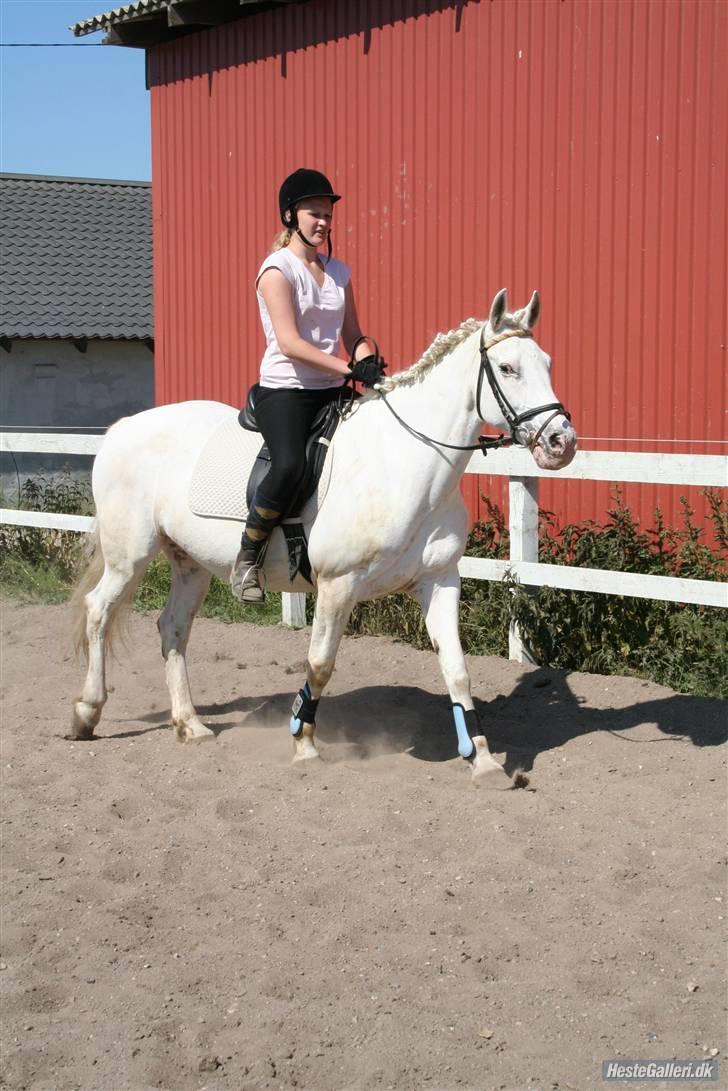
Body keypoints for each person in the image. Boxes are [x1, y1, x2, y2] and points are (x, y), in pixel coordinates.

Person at [230, 168, 385, 603]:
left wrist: (367, 361)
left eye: (327, 215)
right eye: (314, 214)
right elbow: (290, 342)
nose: (322, 222)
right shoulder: (276, 270)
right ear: (289, 216)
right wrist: (345, 366)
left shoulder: (339, 273)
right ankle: (248, 557)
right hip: (286, 390)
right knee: (289, 466)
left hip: (331, 388)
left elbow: (353, 335)